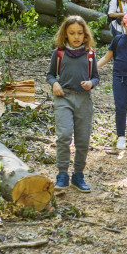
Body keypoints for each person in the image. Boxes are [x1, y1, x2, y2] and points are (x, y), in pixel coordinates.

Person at [46, 16, 100, 192]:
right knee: (64, 136)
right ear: (65, 34)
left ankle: (78, 175)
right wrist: (54, 84)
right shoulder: (59, 53)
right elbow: (50, 75)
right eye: (72, 33)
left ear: (85, 35)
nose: (76, 37)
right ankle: (62, 174)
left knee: (83, 140)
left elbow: (96, 77)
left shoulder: (90, 54)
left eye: (80, 33)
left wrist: (91, 83)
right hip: (64, 98)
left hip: (84, 100)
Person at [97, 11, 127, 150]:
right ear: (123, 24)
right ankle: (121, 136)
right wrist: (92, 69)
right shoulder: (117, 40)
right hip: (119, 78)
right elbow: (106, 58)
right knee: (121, 107)